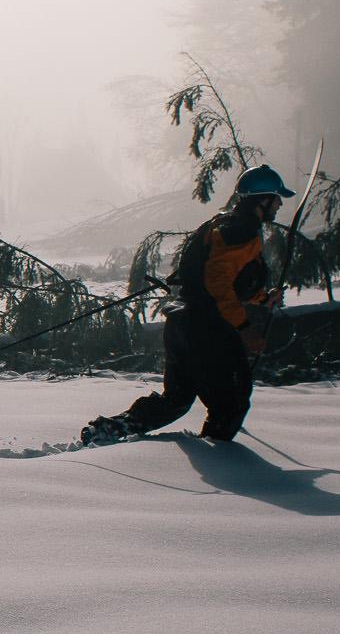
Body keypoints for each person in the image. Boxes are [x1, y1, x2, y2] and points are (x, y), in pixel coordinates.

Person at [81, 163, 298, 446]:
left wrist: (262, 297)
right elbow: (218, 284)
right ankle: (222, 464)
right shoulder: (241, 232)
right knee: (231, 403)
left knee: (177, 400)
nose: (280, 203)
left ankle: (109, 429)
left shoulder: (220, 225)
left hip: (182, 323)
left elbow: (226, 279)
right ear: (263, 199)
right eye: (277, 197)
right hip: (207, 330)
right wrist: (244, 328)